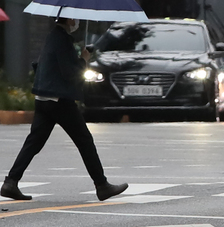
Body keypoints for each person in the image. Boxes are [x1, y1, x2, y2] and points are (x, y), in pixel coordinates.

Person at [0, 17, 128, 202]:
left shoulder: (53, 36)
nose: (77, 22)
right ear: (68, 19)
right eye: (74, 19)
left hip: (43, 98)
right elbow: (70, 73)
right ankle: (102, 185)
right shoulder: (62, 39)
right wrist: (84, 60)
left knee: (34, 142)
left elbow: (46, 65)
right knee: (84, 140)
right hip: (59, 100)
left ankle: (11, 182)